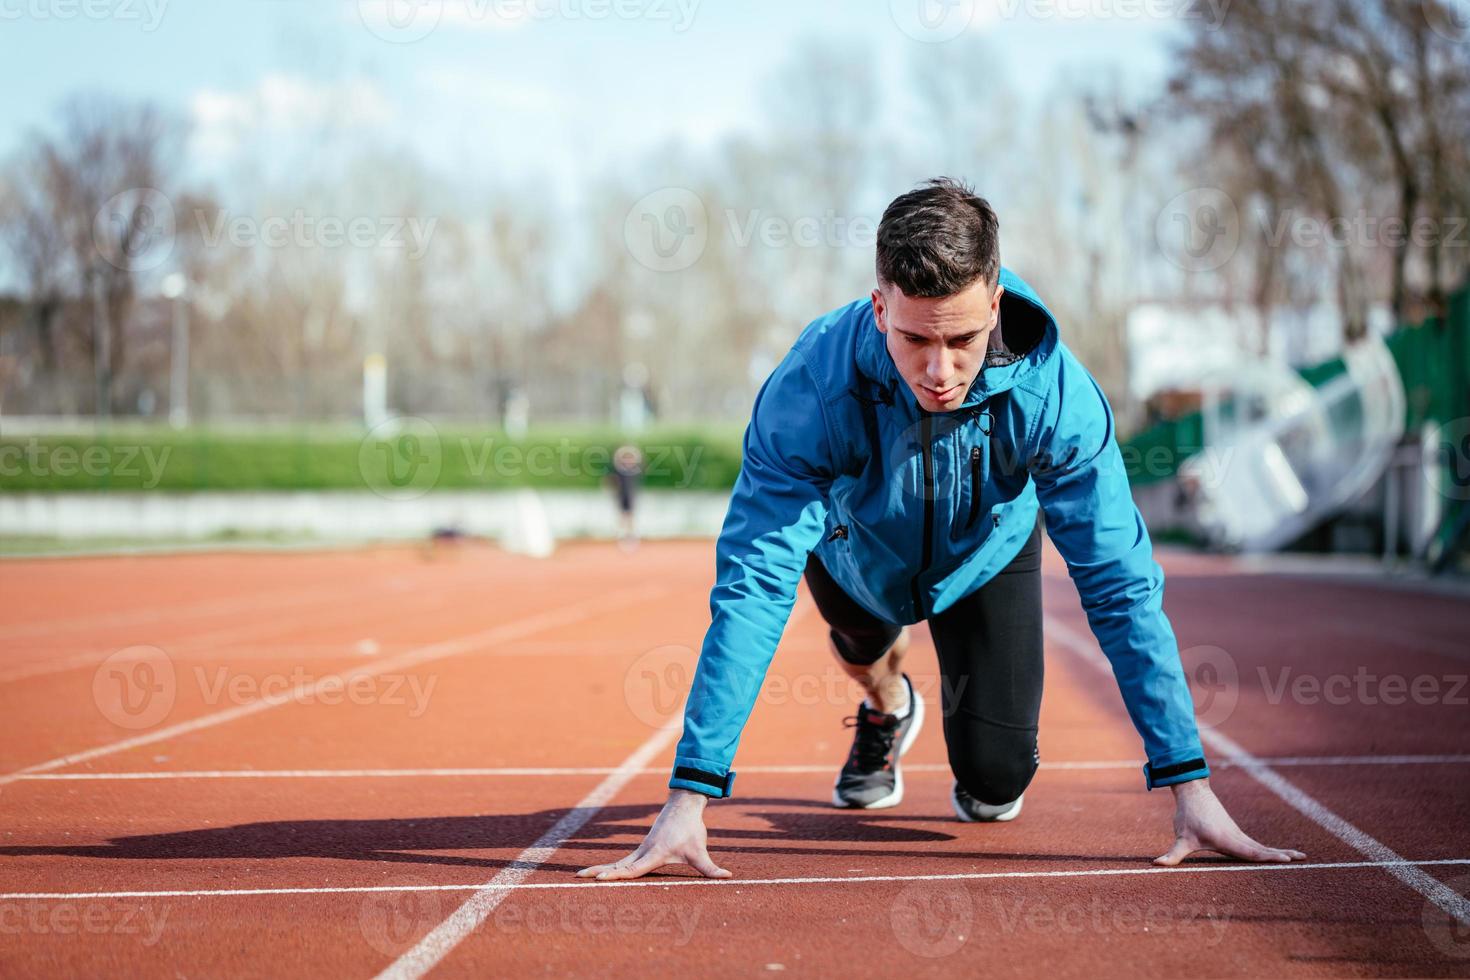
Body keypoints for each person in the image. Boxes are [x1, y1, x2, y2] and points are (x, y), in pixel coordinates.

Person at [579, 178, 1305, 882]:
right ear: (878, 308)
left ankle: (969, 736)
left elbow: (1118, 582)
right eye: (915, 339)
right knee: (862, 639)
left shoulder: (1053, 395)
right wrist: (690, 795)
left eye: (962, 338)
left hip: (985, 557)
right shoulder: (812, 387)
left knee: (995, 787)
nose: (939, 370)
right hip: (852, 553)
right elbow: (753, 586)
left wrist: (1188, 781)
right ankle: (886, 703)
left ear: (995, 302)